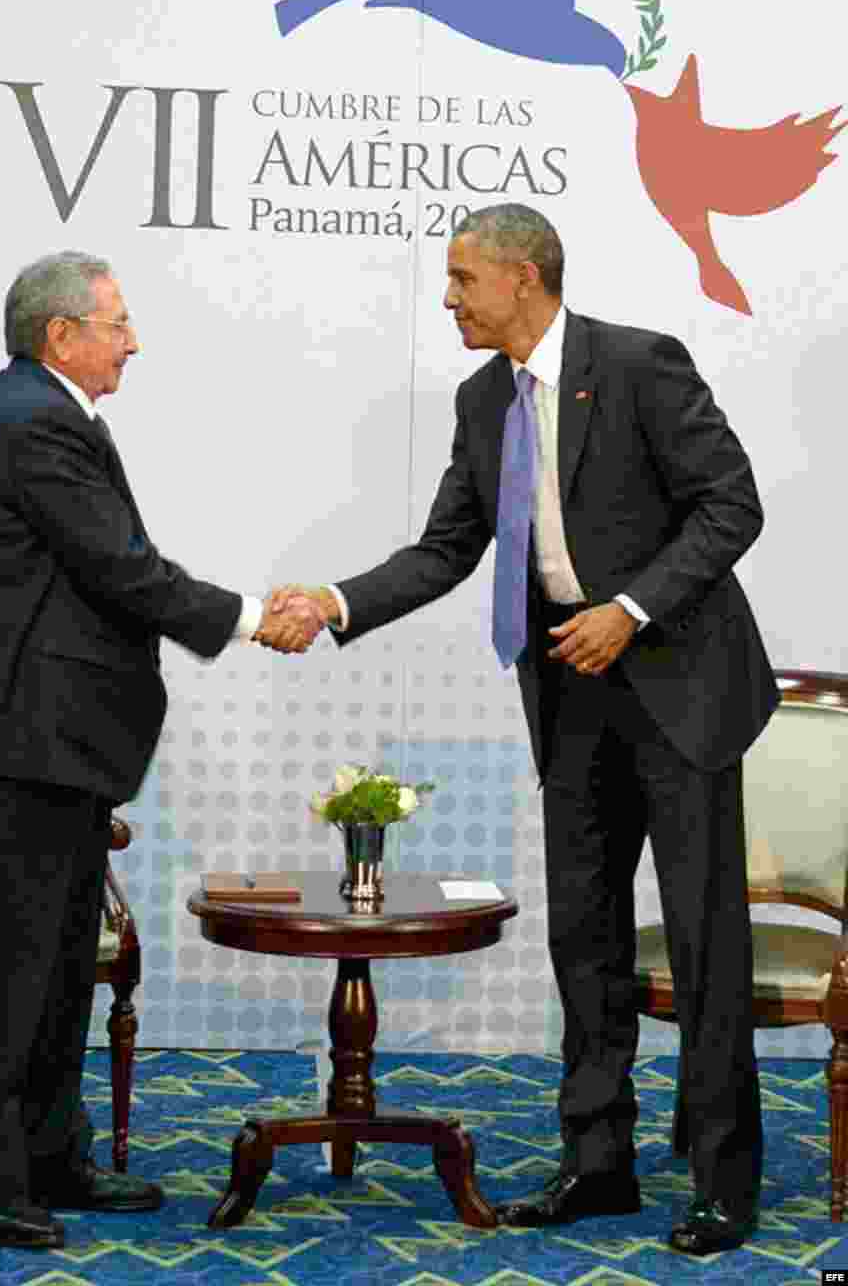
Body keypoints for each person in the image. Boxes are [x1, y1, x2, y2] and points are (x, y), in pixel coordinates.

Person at [272, 202, 777, 1256]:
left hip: (678, 683)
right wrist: (334, 599)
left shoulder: (639, 364)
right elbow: (446, 546)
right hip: (570, 691)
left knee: (701, 940)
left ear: (524, 277)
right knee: (582, 939)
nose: (447, 298)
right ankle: (598, 1165)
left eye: (461, 278)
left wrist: (630, 607)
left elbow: (729, 505)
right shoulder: (480, 398)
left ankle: (725, 1183)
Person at [0, 250, 323, 1249]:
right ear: (63, 334)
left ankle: (49, 1154)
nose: (132, 342)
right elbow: (122, 568)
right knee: (15, 969)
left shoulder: (35, 411)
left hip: (49, 736)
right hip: (22, 737)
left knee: (56, 964)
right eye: (118, 323)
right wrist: (249, 616)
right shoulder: (32, 419)